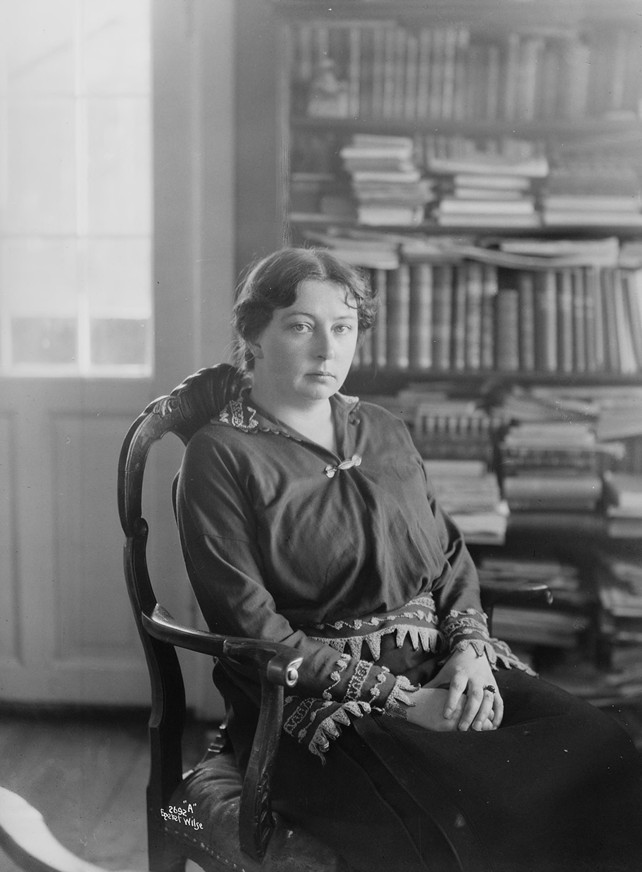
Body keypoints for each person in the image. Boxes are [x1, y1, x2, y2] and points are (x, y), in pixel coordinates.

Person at [176, 247, 641, 872]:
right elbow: (251, 626)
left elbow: (447, 554)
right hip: (317, 701)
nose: (327, 350)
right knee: (454, 804)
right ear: (253, 335)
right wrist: (403, 701)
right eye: (301, 326)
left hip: (441, 664)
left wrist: (471, 654)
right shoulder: (220, 456)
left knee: (600, 747)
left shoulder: (383, 428)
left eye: (343, 328)